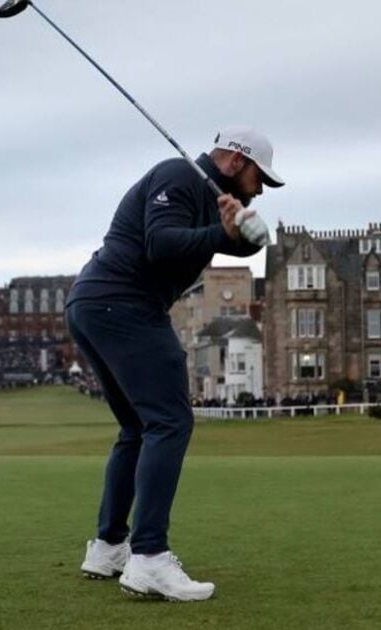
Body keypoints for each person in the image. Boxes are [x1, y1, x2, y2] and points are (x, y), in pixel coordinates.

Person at [67, 127, 283, 602]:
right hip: (122, 304)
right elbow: (160, 244)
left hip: (99, 305)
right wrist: (219, 231)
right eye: (258, 177)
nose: (260, 187)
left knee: (137, 428)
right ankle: (148, 557)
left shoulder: (211, 198)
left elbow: (253, 243)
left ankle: (108, 548)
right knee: (170, 421)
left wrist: (241, 227)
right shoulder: (179, 177)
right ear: (234, 161)